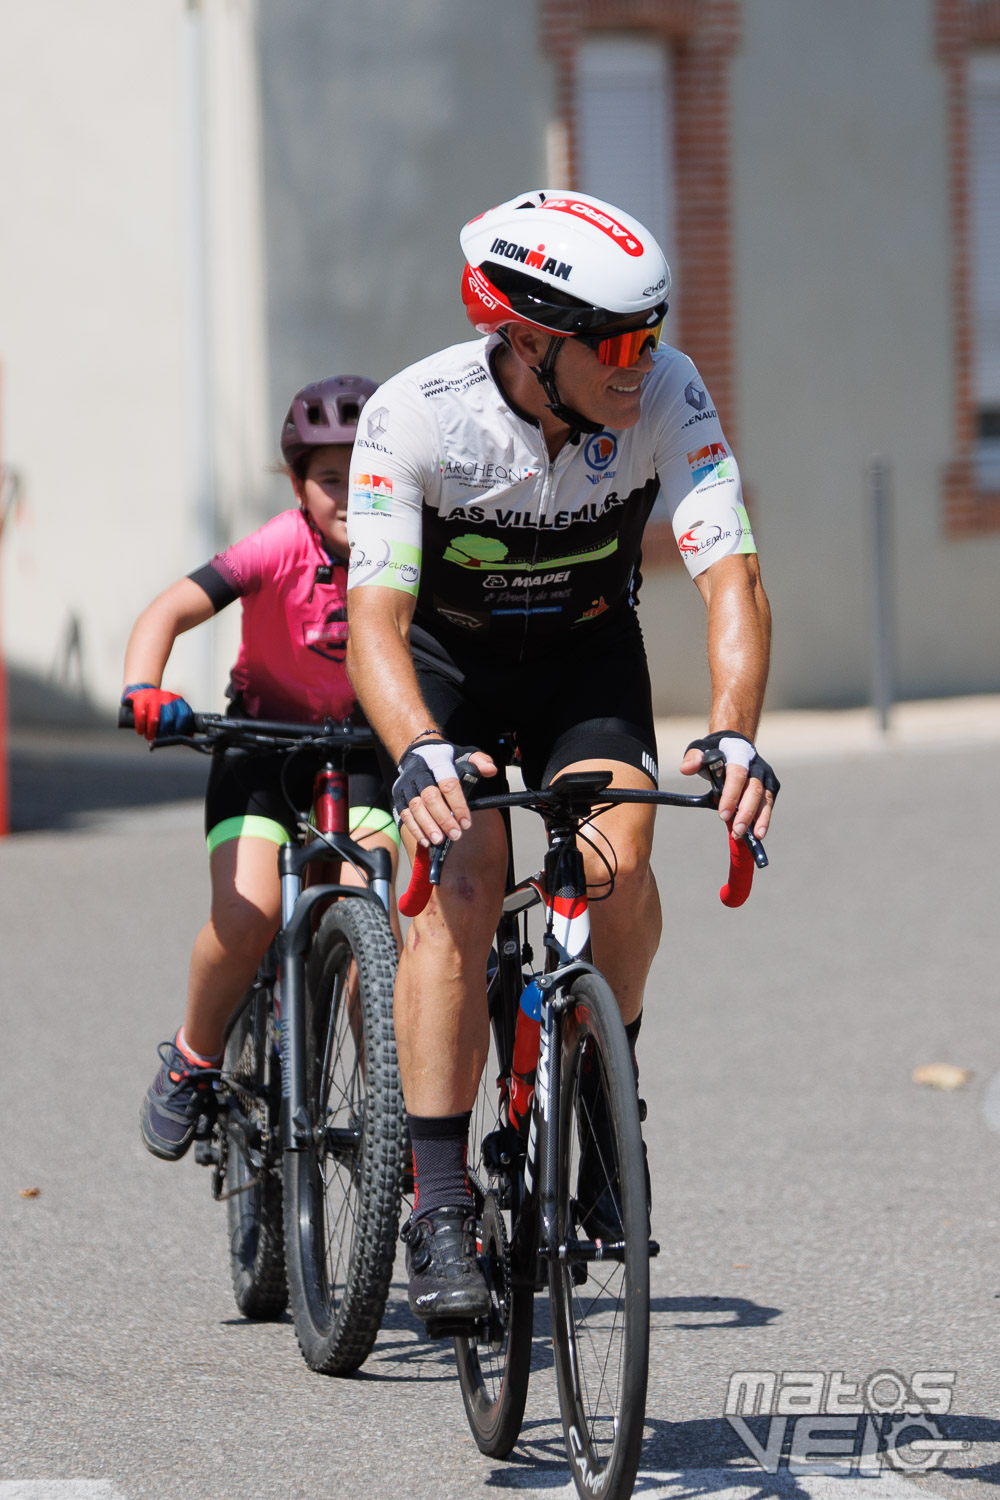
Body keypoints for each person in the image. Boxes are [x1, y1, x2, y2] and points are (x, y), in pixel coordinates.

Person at [345, 190, 778, 1330]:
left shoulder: (668, 393)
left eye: (653, 332)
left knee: (620, 866)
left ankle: (595, 1103)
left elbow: (730, 574)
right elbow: (375, 625)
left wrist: (735, 728)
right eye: (618, 343)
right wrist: (423, 755)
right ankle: (438, 1205)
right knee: (464, 885)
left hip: (585, 663)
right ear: (532, 342)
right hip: (449, 677)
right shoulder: (417, 417)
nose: (644, 362)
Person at [124, 376, 400, 1161]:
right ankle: (194, 1058)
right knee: (246, 915)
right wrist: (146, 686)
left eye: (367, 475)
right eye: (329, 479)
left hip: (363, 754)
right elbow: (170, 609)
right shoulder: (280, 544)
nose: (350, 496)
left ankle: (390, 1107)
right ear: (297, 487)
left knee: (372, 915)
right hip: (260, 746)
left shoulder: (411, 549)